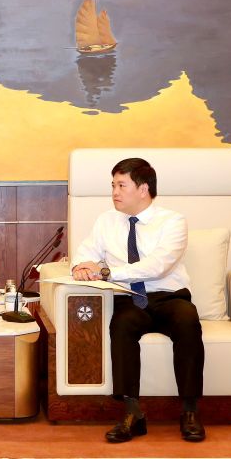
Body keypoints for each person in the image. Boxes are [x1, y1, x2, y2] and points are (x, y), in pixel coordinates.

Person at [71, 157, 206, 443]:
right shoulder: (106, 221)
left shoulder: (172, 221)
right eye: (113, 185)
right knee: (121, 325)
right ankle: (133, 414)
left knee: (188, 321)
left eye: (121, 185)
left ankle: (190, 411)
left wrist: (107, 272)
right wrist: (81, 267)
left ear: (143, 189)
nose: (114, 192)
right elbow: (86, 252)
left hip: (169, 297)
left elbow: (158, 266)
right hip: (130, 298)